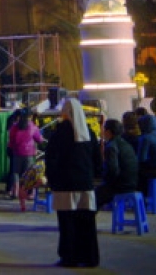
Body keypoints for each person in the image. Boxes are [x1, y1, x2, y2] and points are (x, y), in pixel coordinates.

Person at [44, 98, 101, 269]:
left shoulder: (60, 133)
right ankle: (90, 257)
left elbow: (51, 159)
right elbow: (97, 159)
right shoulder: (89, 133)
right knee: (87, 222)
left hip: (65, 185)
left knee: (67, 222)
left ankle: (70, 257)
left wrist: (51, 180)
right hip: (84, 184)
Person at [95, 119, 139, 209]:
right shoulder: (126, 144)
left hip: (120, 186)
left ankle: (86, 221)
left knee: (92, 198)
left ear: (108, 131)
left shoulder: (111, 146)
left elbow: (112, 170)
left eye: (104, 129)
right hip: (132, 183)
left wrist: (102, 178)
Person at [8, 108, 44, 206]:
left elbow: (10, 140)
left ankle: (15, 191)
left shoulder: (14, 127)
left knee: (15, 173)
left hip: (16, 152)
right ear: (30, 116)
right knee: (29, 174)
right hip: (29, 154)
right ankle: (30, 193)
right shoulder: (33, 127)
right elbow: (39, 140)